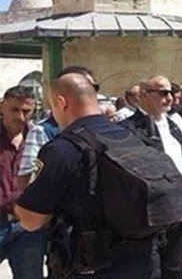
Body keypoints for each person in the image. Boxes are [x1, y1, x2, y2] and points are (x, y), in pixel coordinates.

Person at [14, 72, 157, 277]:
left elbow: (31, 220)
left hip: (90, 264)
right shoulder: (132, 136)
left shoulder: (62, 149)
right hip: (144, 262)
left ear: (61, 103)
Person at [121, 76, 182, 279]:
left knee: (174, 269)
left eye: (170, 92)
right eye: (162, 93)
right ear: (143, 95)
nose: (169, 98)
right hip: (149, 214)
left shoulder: (174, 125)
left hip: (178, 211)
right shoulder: (128, 129)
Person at [0, 85, 45, 279]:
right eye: (14, 110)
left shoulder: (39, 137)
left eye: (26, 111)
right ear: (2, 107)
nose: (20, 117)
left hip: (28, 226)